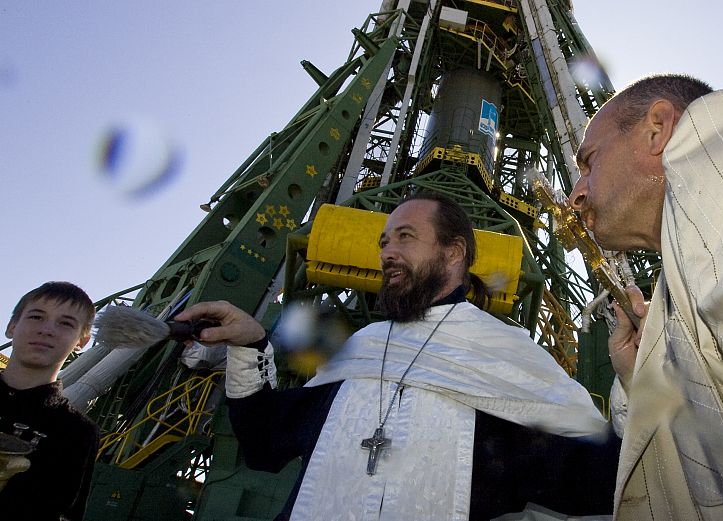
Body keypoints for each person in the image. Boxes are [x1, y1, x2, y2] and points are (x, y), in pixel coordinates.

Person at [176, 192, 621, 520]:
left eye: (405, 237)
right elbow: (265, 441)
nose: (387, 253)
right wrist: (250, 344)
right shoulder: (362, 348)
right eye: (384, 242)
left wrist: (633, 382)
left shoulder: (507, 356)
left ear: (454, 251)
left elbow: (597, 481)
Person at [568, 75, 723, 519]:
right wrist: (644, 378)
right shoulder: (697, 246)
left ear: (657, 129)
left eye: (590, 162)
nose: (577, 195)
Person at [1, 281, 100, 521]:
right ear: (12, 327)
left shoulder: (79, 433)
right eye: (36, 317)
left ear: (82, 342)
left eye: (65, 323)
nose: (47, 330)